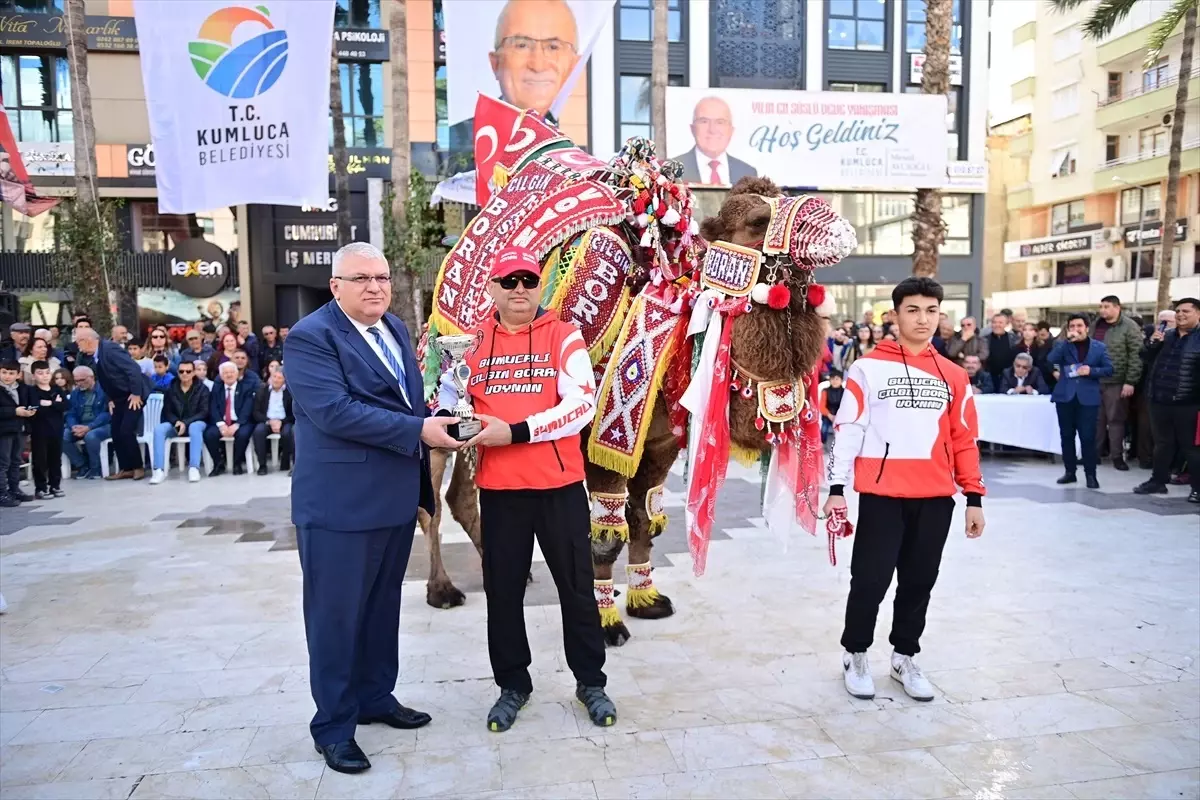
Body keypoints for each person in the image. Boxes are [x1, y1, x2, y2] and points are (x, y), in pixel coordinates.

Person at [284, 242, 454, 775]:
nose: (375, 287)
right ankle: (334, 727)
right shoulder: (311, 337)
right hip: (339, 505)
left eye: (381, 276)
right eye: (361, 278)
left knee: (381, 610)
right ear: (336, 286)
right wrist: (418, 429)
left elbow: (407, 401)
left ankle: (376, 697)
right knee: (336, 618)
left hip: (394, 499)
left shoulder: (396, 329)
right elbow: (335, 412)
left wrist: (444, 414)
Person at [435, 244, 615, 734]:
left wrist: (514, 432)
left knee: (578, 590)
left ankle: (590, 681)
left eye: (528, 281)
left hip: (558, 487)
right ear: (492, 287)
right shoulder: (469, 346)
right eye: (509, 281)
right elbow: (449, 401)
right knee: (504, 592)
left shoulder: (565, 334)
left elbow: (581, 405)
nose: (520, 290)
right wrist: (443, 420)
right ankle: (512, 685)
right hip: (500, 490)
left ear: (541, 286)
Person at [825, 277, 985, 702]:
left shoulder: (953, 374)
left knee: (919, 583)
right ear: (894, 316)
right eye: (913, 310)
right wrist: (836, 487)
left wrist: (973, 497)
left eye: (931, 310)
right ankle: (855, 653)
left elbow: (965, 438)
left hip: (935, 498)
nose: (923, 319)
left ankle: (904, 657)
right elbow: (848, 430)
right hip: (882, 497)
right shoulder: (867, 368)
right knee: (870, 581)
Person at [1134, 298, 1200, 503]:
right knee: (1162, 444)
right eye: (1178, 311)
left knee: (1191, 447)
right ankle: (1158, 480)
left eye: (1186, 311)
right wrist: (1152, 343)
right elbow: (1144, 356)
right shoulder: (1167, 336)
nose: (1180, 315)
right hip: (1159, 400)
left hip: (1188, 402)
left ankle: (1197, 487)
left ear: (1198, 314)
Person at [1047, 314, 1114, 489]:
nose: (1075, 329)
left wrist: (1091, 371)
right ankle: (1070, 472)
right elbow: (1051, 359)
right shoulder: (1063, 345)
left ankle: (1091, 475)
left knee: (1087, 437)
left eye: (1079, 326)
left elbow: (1109, 369)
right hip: (1065, 396)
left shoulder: (1098, 347)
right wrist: (1066, 342)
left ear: (1086, 328)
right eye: (1072, 326)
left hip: (1088, 398)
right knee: (1067, 436)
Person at [75, 328, 147, 481]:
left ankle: (138, 467)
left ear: (87, 340)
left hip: (132, 395)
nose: (77, 345)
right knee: (116, 432)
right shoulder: (94, 355)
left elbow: (133, 369)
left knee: (126, 430)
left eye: (78, 341)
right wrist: (110, 399)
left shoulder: (110, 348)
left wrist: (136, 393)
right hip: (118, 397)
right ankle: (126, 468)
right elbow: (105, 378)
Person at [489, 0, 579, 117]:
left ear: (573, 67)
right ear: (496, 64)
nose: (538, 65)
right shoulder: (461, 135)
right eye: (522, 46)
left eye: (553, 47)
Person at [1087, 296, 1143, 471]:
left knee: (1116, 420)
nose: (1102, 310)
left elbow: (1136, 355)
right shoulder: (1095, 325)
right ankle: (1093, 455)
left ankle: (1117, 456)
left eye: (1107, 306)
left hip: (1117, 381)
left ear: (1117, 307)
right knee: (1096, 420)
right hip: (1095, 380)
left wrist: (1130, 381)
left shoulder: (1129, 327)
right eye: (1101, 306)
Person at [672, 96, 758, 185]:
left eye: (720, 122)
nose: (712, 130)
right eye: (704, 121)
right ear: (692, 128)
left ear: (731, 130)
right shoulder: (673, 170)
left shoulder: (748, 173)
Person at [149, 359, 210, 485]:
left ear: (193, 373)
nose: (185, 374)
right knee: (159, 429)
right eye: (181, 371)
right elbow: (167, 411)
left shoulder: (202, 389)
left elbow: (204, 412)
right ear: (177, 372)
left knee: (194, 427)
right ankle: (158, 470)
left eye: (188, 371)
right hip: (176, 423)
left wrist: (185, 423)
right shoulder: (171, 388)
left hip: (197, 422)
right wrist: (176, 421)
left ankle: (194, 468)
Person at [203, 362, 256, 477]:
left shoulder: (245, 388)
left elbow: (247, 409)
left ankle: (237, 463)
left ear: (237, 374)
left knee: (242, 435)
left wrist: (236, 425)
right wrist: (221, 424)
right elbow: (213, 408)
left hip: (241, 422)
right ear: (221, 376)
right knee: (209, 434)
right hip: (221, 422)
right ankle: (218, 463)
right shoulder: (216, 389)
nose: (229, 375)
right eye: (225, 373)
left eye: (232, 372)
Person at [26, 359, 67, 499]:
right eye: (40, 373)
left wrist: (49, 404)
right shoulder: (31, 391)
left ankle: (55, 485)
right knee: (40, 460)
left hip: (56, 429)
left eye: (47, 373)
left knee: (56, 459)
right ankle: (41, 488)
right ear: (33, 376)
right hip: (39, 430)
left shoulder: (57, 389)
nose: (44, 376)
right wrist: (54, 404)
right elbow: (36, 409)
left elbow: (65, 406)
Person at [63, 366, 110, 479]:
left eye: (82, 380)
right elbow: (70, 413)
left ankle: (96, 469)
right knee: (62, 435)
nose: (79, 383)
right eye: (77, 381)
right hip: (81, 425)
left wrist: (89, 427)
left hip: (103, 425)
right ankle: (82, 465)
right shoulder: (75, 393)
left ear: (92, 377)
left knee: (91, 436)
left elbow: (107, 414)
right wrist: (73, 426)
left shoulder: (105, 390)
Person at [0, 359, 35, 506]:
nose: (7, 376)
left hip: (19, 429)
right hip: (3, 431)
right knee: (3, 463)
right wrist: (14, 411)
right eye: (4, 373)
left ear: (18, 375)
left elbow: (28, 403)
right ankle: (2, 493)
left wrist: (30, 411)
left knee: (16, 461)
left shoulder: (22, 388)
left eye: (11, 373)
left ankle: (14, 489)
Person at [251, 367, 293, 475]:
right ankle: (262, 465)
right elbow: (256, 412)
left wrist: (281, 422)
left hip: (285, 421)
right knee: (258, 431)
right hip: (267, 421)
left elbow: (293, 414)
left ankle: (286, 462)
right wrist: (269, 421)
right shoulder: (262, 390)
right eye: (274, 377)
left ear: (285, 380)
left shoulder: (290, 392)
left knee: (289, 433)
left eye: (280, 378)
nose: (276, 380)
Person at [983, 313, 1019, 389]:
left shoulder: (1014, 339)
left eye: (1000, 322)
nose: (997, 325)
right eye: (994, 322)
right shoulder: (984, 339)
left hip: (1009, 378)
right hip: (990, 376)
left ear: (1006, 324)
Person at [820, 369, 844, 443]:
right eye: (832, 379)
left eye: (837, 379)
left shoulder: (845, 392)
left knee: (842, 431)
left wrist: (838, 415)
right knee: (824, 429)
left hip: (840, 415)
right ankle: (823, 443)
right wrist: (829, 415)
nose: (835, 381)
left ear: (841, 381)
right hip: (827, 415)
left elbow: (846, 406)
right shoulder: (825, 391)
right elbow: (821, 406)